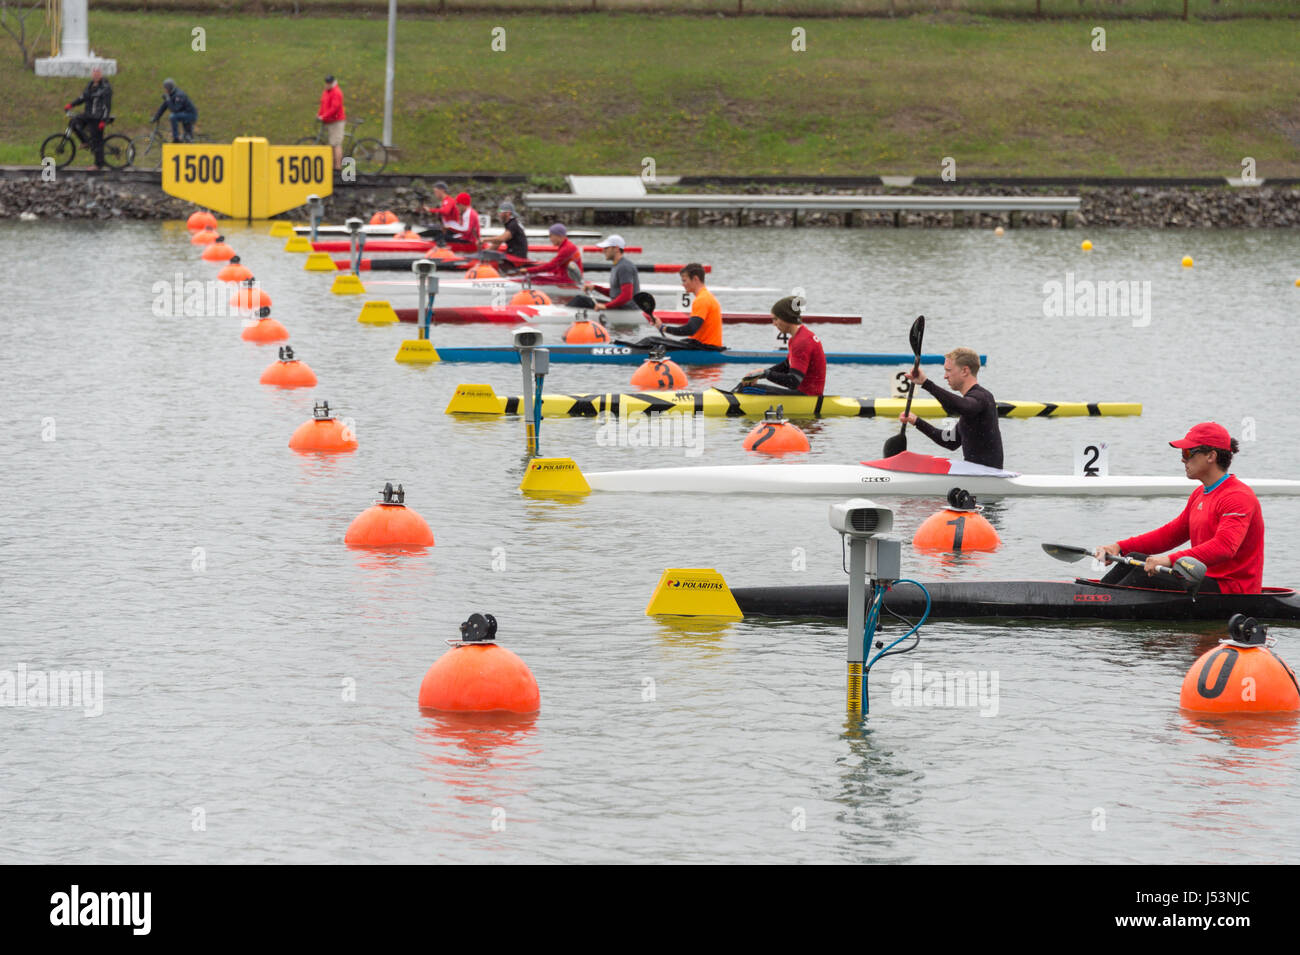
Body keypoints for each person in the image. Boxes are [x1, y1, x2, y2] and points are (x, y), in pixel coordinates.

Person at [1093, 423, 1263, 594]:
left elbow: (1224, 547)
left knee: (1142, 572)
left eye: (1187, 453)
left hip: (1232, 589)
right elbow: (1170, 535)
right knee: (1133, 559)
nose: (1183, 459)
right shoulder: (1199, 494)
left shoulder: (1237, 497)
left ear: (1211, 456)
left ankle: (1097, 603)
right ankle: (1095, 597)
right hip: (1201, 580)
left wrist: (1169, 560)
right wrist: (1119, 547)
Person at [898, 347, 1002, 469]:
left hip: (986, 475)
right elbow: (950, 441)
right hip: (976, 473)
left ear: (965, 371)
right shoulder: (971, 404)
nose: (945, 376)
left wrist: (926, 384)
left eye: (948, 370)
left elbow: (959, 407)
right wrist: (916, 421)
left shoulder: (981, 397)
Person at [737, 296, 826, 396]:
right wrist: (759, 375)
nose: (774, 324)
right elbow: (787, 365)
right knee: (744, 386)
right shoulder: (798, 337)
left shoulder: (802, 341)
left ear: (786, 317)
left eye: (775, 319)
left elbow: (793, 381)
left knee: (746, 390)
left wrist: (765, 373)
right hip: (804, 395)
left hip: (807, 397)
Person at [649, 263, 722, 349]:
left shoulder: (702, 299)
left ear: (695, 279)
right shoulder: (707, 296)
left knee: (650, 341)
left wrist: (663, 328)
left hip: (706, 350)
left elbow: (690, 329)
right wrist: (662, 327)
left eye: (684, 281)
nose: (682, 284)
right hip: (706, 347)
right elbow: (692, 331)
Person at [66, 67, 112, 171]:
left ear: (101, 75)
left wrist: (103, 120)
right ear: (92, 75)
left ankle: (98, 165)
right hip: (88, 115)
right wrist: (71, 104)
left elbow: (107, 106)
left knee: (97, 140)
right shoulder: (90, 85)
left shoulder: (105, 88)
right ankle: (85, 142)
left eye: (98, 74)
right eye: (94, 74)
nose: (96, 76)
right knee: (73, 122)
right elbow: (82, 97)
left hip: (98, 117)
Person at [583, 235, 640, 312]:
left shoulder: (624, 267)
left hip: (627, 310)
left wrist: (605, 306)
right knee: (581, 299)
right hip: (621, 307)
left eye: (606, 248)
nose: (603, 251)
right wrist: (595, 287)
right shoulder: (617, 265)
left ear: (616, 249)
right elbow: (614, 293)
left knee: (581, 300)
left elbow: (627, 296)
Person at [151, 78, 198, 143]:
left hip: (190, 114)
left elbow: (175, 110)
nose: (164, 90)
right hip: (184, 113)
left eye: (165, 88)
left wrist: (168, 100)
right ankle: (186, 139)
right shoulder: (171, 94)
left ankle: (176, 138)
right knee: (187, 138)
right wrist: (156, 117)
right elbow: (163, 107)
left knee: (173, 116)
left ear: (169, 88)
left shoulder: (179, 95)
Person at [317, 75, 346, 171]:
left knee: (336, 144)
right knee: (331, 144)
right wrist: (319, 114)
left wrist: (324, 116)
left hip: (336, 121)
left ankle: (338, 167)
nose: (327, 84)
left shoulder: (337, 92)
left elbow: (334, 108)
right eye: (326, 82)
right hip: (329, 121)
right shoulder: (326, 91)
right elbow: (323, 104)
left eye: (329, 82)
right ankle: (333, 167)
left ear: (333, 83)